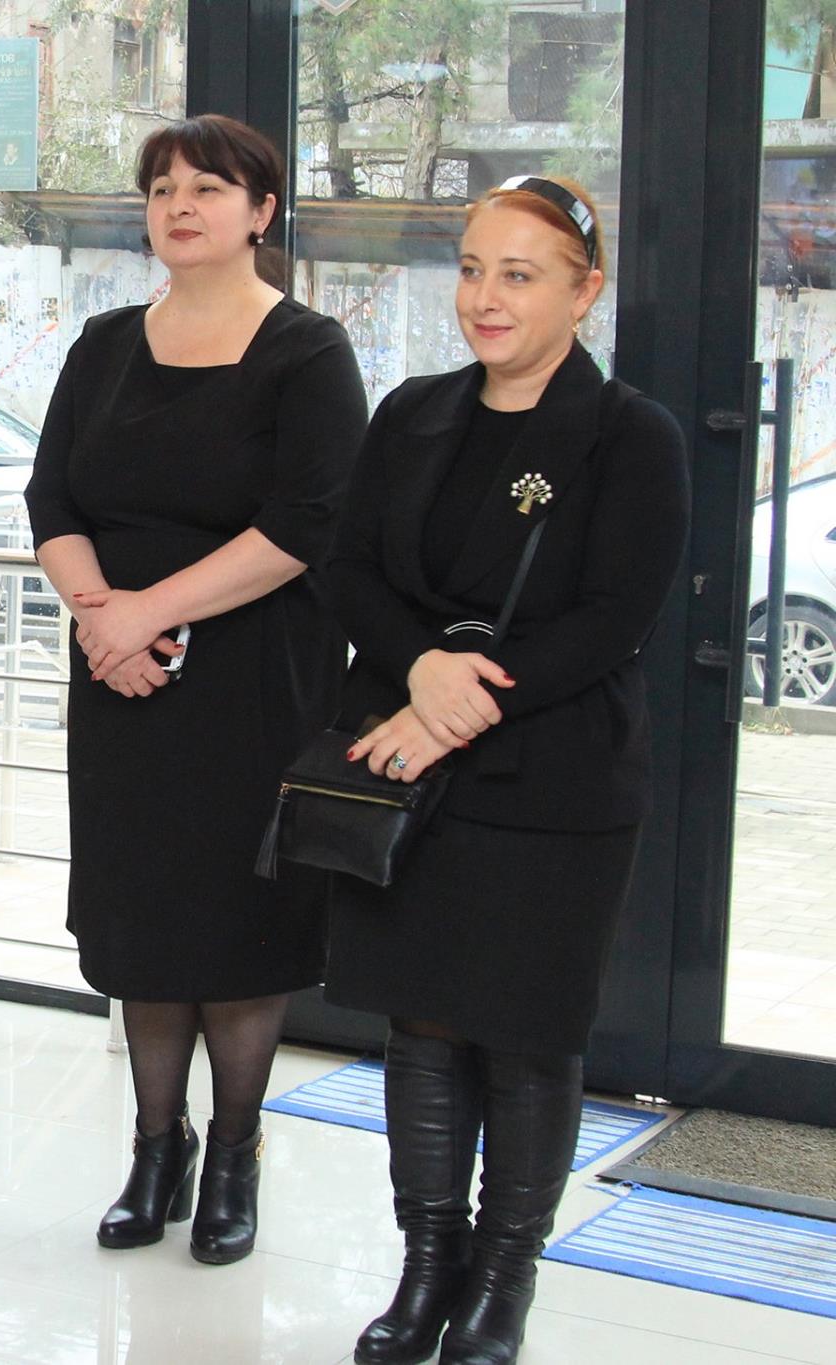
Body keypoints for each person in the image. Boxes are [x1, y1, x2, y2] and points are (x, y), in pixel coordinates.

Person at [325, 176, 688, 1365]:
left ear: (583, 293)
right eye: (472, 269)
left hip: (553, 775)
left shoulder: (628, 435)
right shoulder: (412, 413)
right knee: (423, 1025)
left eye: (517, 276)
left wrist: (451, 707)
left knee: (525, 1034)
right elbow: (350, 571)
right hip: (410, 767)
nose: (484, 297)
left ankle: (501, 1282)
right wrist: (420, 671)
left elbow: (611, 619)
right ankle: (426, 1264)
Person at [24, 114, 366, 1260]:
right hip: (119, 681)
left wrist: (146, 612)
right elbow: (51, 501)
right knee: (142, 917)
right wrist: (100, 621)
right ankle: (152, 1147)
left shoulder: (307, 351)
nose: (180, 204)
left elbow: (305, 524)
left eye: (209, 188)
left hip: (254, 681)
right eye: (163, 186)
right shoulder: (102, 345)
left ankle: (233, 1154)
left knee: (236, 921)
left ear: (260, 212)